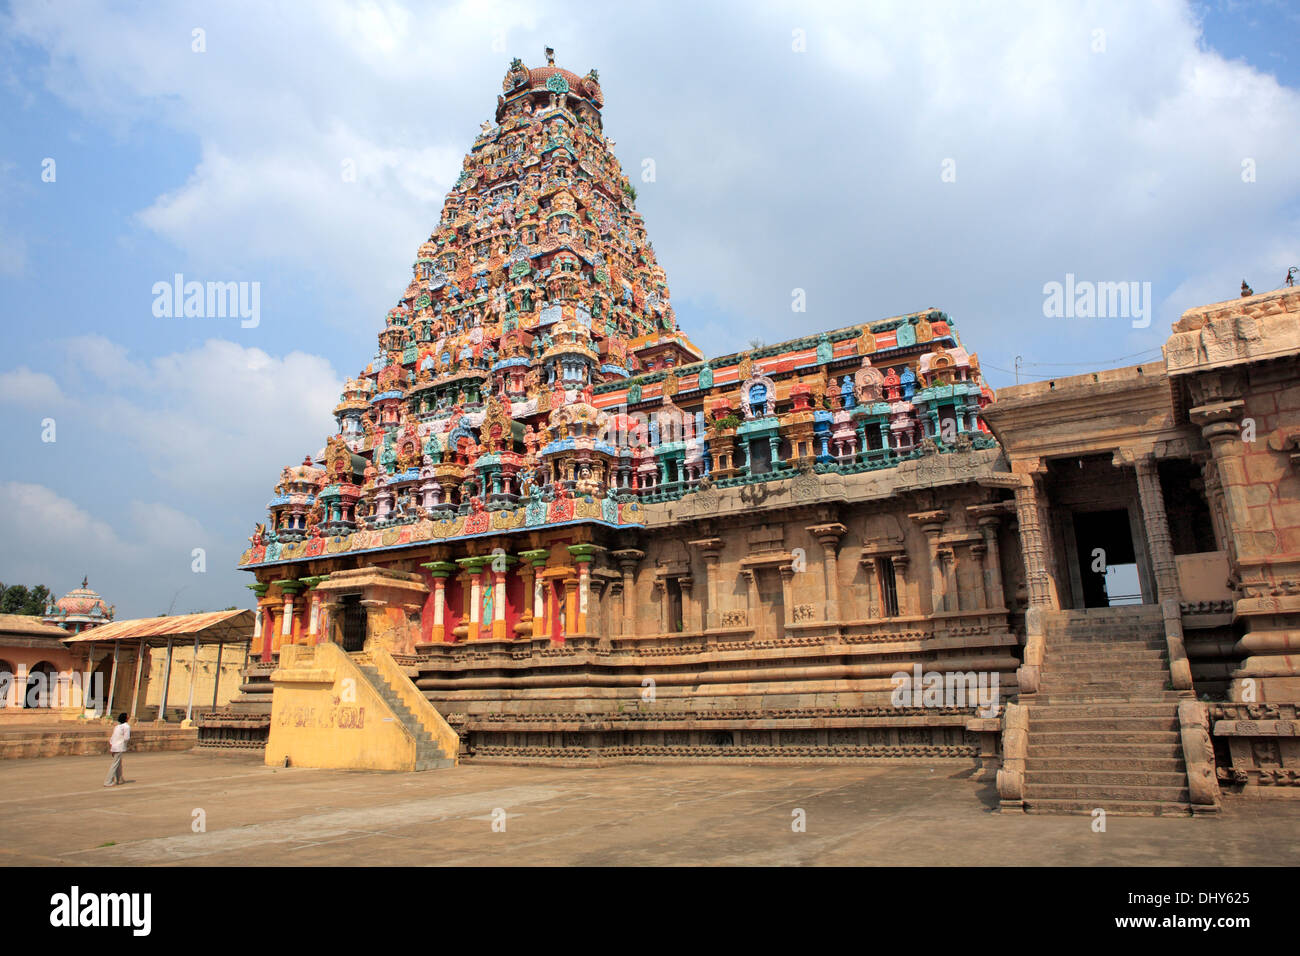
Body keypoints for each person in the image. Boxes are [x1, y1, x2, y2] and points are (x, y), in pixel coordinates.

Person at [104, 713, 130, 787]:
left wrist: (112, 747)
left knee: (118, 763)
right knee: (115, 764)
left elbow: (112, 738)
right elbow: (126, 738)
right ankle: (108, 781)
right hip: (119, 747)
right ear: (126, 719)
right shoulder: (126, 727)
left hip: (115, 746)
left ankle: (119, 779)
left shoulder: (117, 727)